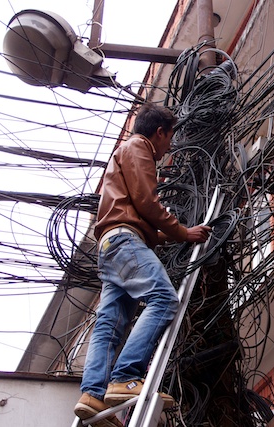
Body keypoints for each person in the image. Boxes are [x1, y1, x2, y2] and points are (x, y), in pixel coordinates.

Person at [74, 103, 212, 427]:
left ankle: (93, 394)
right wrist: (183, 232)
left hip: (111, 245)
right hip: (124, 242)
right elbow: (147, 203)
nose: (169, 147)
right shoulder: (139, 147)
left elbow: (140, 220)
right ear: (160, 131)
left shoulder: (124, 154)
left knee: (110, 322)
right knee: (164, 299)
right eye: (169, 138)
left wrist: (172, 237)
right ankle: (125, 377)